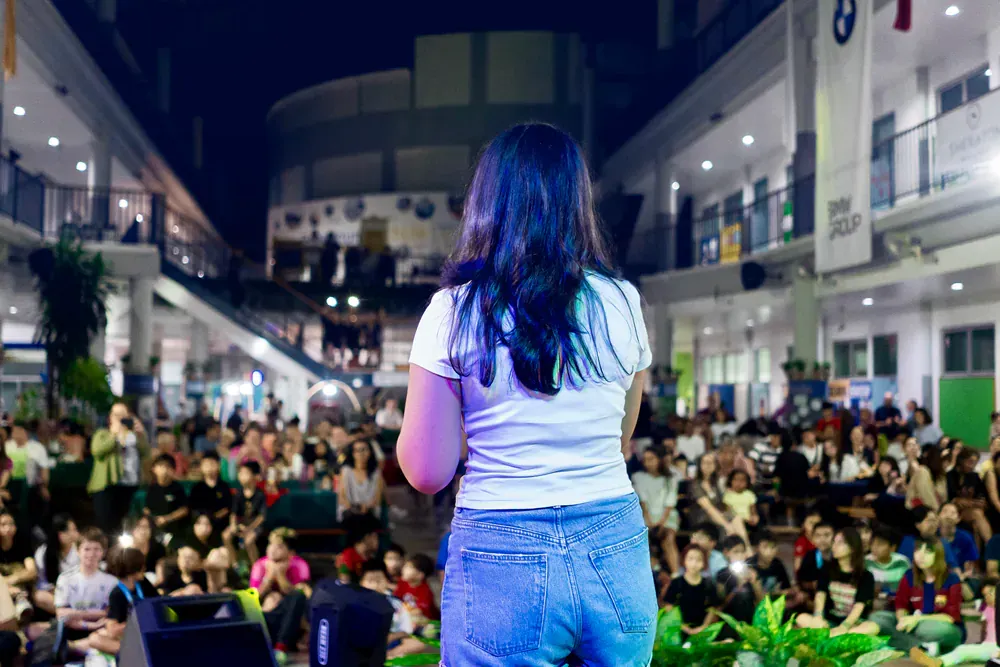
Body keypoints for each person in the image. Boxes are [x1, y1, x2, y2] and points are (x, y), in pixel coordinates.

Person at [398, 123, 657, 666]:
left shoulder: (453, 312)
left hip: (502, 545)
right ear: (577, 201)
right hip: (614, 540)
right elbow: (620, 436)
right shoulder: (622, 300)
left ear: (485, 203)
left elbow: (427, 472)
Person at [872, 539, 963, 655]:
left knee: (934, 630)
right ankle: (922, 647)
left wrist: (917, 619)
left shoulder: (952, 579)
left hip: (936, 625)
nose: (921, 555)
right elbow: (901, 605)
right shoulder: (909, 575)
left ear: (938, 555)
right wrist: (902, 620)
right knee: (877, 617)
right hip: (910, 623)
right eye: (917, 550)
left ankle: (904, 643)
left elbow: (950, 618)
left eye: (928, 551)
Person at [795, 528, 878, 636]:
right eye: (834, 542)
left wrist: (845, 626)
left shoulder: (865, 576)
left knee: (873, 627)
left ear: (853, 548)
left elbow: (859, 605)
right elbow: (821, 594)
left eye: (840, 543)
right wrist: (818, 616)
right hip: (829, 622)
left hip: (852, 624)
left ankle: (832, 636)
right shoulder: (826, 569)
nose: (834, 546)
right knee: (801, 618)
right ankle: (835, 636)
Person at [50, 528, 118, 658]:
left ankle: (74, 647)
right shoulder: (66, 578)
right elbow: (61, 613)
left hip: (101, 630)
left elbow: (110, 613)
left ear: (103, 552)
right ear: (78, 551)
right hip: (72, 629)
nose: (91, 554)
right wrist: (91, 623)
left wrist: (75, 614)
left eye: (96, 549)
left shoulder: (111, 581)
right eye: (87, 549)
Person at [87, 403, 150, 535]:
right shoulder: (103, 433)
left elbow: (145, 452)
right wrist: (114, 435)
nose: (120, 418)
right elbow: (97, 451)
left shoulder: (134, 435)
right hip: (108, 486)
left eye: (123, 415)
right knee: (107, 526)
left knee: (126, 526)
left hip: (130, 486)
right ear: (110, 417)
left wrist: (142, 434)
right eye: (117, 415)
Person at [910, 576, 999, 666]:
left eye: (991, 592)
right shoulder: (987, 609)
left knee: (963, 651)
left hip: (996, 648)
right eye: (985, 595)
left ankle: (939, 662)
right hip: (987, 645)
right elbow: (984, 629)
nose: (988, 597)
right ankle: (936, 660)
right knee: (962, 649)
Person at [631, 444, 680, 573]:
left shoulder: (671, 478)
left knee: (668, 539)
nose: (648, 463)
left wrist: (661, 522)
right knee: (644, 539)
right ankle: (653, 570)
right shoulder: (638, 477)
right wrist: (649, 522)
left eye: (651, 459)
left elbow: (670, 502)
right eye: (646, 459)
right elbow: (642, 501)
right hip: (646, 517)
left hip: (667, 516)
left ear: (660, 459)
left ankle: (676, 574)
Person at [688, 452, 750, 545]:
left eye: (711, 463)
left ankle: (746, 548)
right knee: (724, 523)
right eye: (705, 463)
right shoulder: (696, 484)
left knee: (736, 518)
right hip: (702, 516)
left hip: (717, 514)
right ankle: (731, 547)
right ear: (700, 465)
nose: (708, 465)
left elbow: (722, 503)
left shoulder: (715, 483)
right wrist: (726, 525)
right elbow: (708, 508)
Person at [663, 546, 720, 638]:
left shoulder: (709, 584)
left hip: (702, 631)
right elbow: (669, 607)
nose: (694, 564)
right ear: (684, 561)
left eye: (698, 560)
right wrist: (683, 627)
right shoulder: (676, 583)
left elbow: (712, 609)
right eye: (690, 559)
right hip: (678, 631)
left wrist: (703, 627)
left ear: (704, 563)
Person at [249, 528, 311, 612]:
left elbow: (301, 596)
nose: (272, 550)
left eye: (279, 547)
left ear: (291, 553)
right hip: (265, 604)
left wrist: (280, 576)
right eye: (270, 544)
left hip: (292, 608)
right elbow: (253, 598)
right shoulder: (259, 565)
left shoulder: (300, 565)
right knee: (273, 599)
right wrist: (269, 576)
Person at [33, 514, 80, 616]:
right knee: (39, 596)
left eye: (76, 530)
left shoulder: (79, 551)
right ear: (60, 534)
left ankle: (72, 615)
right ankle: (69, 615)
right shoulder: (42, 553)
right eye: (72, 530)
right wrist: (54, 589)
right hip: (57, 596)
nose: (77, 533)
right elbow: (42, 582)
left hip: (78, 594)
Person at [223, 461, 266, 564]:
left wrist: (249, 528)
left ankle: (255, 566)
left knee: (249, 541)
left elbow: (261, 517)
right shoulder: (238, 494)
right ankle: (234, 564)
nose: (241, 476)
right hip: (240, 524)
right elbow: (233, 513)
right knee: (226, 536)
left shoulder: (260, 495)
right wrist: (233, 525)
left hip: (254, 526)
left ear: (256, 476)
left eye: (245, 473)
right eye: (240, 473)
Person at [947, 448, 992, 545]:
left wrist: (976, 502)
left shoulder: (974, 476)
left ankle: (978, 554)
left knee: (976, 525)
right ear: (961, 460)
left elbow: (981, 497)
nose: (972, 466)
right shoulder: (950, 475)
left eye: (975, 463)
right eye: (970, 462)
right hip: (954, 511)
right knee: (977, 513)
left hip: (970, 511)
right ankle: (992, 546)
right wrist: (971, 502)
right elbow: (954, 500)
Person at [144, 454, 190, 541]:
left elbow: (184, 510)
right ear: (154, 469)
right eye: (160, 466)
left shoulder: (178, 488)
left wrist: (167, 518)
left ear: (173, 470)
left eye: (168, 466)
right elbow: (146, 509)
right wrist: (154, 519)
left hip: (176, 530)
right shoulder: (151, 488)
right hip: (156, 529)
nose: (164, 469)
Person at [337, 438, 383, 522]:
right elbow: (342, 498)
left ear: (370, 452)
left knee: (366, 519)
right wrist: (355, 508)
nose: (361, 453)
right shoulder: (346, 471)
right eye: (357, 450)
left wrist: (366, 507)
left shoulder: (376, 472)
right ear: (352, 453)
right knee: (353, 518)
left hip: (369, 512)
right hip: (350, 512)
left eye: (364, 449)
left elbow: (377, 499)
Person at [0, 511, 34, 621]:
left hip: (21, 586)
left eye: (11, 524)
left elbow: (32, 571)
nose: (8, 528)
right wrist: (8, 588)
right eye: (3, 524)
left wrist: (13, 579)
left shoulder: (22, 542)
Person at [188, 452, 232, 533]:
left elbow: (227, 508)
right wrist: (205, 519)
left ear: (218, 465)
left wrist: (213, 518)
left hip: (221, 524)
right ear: (201, 467)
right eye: (206, 464)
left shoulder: (224, 487)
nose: (209, 467)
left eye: (212, 464)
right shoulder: (197, 488)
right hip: (202, 524)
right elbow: (193, 508)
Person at [865, 526, 910, 597]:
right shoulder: (866, 562)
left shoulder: (902, 563)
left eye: (880, 544)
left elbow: (908, 589)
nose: (874, 548)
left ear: (892, 548)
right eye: (872, 543)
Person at [335, 514, 380, 583]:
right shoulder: (348, 555)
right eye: (375, 536)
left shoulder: (372, 558)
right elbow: (344, 582)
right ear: (366, 537)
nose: (378, 540)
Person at [393, 553, 438, 622]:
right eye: (405, 566)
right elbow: (396, 599)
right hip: (409, 618)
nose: (403, 569)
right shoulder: (402, 583)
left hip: (428, 622)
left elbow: (419, 611)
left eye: (409, 567)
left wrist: (400, 613)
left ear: (420, 575)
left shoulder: (425, 591)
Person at [797, 520, 835, 600]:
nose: (822, 539)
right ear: (812, 539)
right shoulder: (809, 556)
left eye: (827, 535)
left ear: (835, 537)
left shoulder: (838, 556)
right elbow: (802, 581)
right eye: (818, 536)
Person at [907, 444, 948, 511]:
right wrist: (938, 512)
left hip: (934, 510)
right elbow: (927, 498)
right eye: (944, 461)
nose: (946, 464)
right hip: (919, 511)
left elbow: (944, 498)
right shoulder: (923, 471)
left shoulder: (941, 476)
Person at [126, 515, 166, 580]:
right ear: (133, 529)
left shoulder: (159, 548)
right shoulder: (126, 548)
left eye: (147, 527)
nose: (143, 531)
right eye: (139, 526)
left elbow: (160, 577)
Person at [794, 509, 822, 574]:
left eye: (817, 523)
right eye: (811, 523)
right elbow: (798, 566)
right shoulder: (801, 542)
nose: (814, 526)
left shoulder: (823, 540)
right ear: (803, 525)